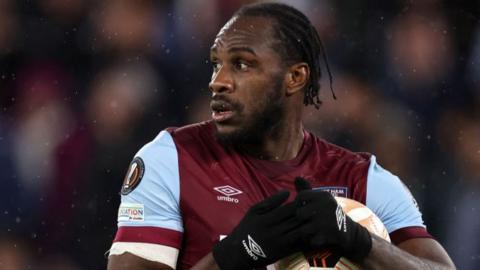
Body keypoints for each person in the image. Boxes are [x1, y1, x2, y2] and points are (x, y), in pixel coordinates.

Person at [107, 3, 455, 270]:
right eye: (216, 63)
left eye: (242, 64)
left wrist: (359, 242)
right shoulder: (171, 159)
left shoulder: (361, 179)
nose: (218, 80)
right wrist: (235, 255)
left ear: (295, 77)